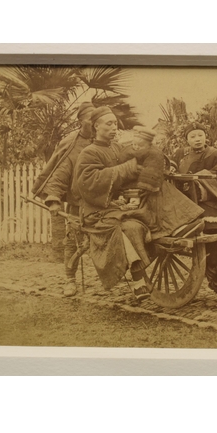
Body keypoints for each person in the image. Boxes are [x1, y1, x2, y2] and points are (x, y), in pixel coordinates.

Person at [74, 108, 156, 300]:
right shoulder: (89, 152)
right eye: (108, 124)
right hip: (96, 211)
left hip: (116, 206)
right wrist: (125, 168)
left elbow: (130, 173)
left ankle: (140, 272)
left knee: (140, 222)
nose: (113, 128)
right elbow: (88, 181)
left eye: (115, 124)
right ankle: (138, 281)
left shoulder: (117, 148)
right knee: (125, 228)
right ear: (96, 126)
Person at [172, 122, 217, 293]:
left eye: (200, 135)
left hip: (209, 200)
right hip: (184, 201)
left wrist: (198, 179)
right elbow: (171, 168)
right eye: (192, 136)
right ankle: (215, 273)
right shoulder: (180, 154)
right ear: (186, 139)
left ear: (206, 137)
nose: (197, 139)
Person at [31, 101, 95, 297]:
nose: (93, 123)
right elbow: (60, 172)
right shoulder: (72, 143)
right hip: (79, 202)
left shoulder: (105, 140)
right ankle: (70, 280)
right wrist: (54, 198)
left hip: (102, 201)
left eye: (96, 119)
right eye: (90, 119)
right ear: (81, 121)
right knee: (73, 242)